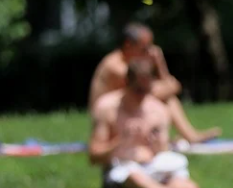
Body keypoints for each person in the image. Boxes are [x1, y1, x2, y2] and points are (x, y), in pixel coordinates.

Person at [89, 59, 211, 188]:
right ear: (126, 83)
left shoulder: (157, 109)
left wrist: (156, 144)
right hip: (123, 168)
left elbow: (162, 151)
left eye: (147, 90)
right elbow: (93, 156)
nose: (142, 96)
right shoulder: (107, 107)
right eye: (138, 90)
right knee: (136, 177)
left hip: (153, 167)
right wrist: (120, 142)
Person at [89, 22, 220, 143]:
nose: (150, 52)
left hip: (123, 109)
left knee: (164, 98)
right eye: (145, 48)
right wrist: (168, 81)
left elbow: (164, 85)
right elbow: (152, 89)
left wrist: (160, 64)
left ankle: (183, 136)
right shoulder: (115, 66)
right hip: (108, 116)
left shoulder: (132, 64)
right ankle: (190, 136)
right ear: (128, 44)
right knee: (165, 98)